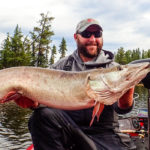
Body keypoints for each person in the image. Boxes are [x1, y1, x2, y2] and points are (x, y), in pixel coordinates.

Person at [15, 18, 136, 150]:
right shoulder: (60, 67)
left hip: (105, 134)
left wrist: (128, 88)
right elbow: (40, 102)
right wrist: (33, 103)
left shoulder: (114, 69)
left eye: (97, 34)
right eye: (86, 34)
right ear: (76, 37)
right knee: (40, 116)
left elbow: (123, 108)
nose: (92, 39)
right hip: (70, 131)